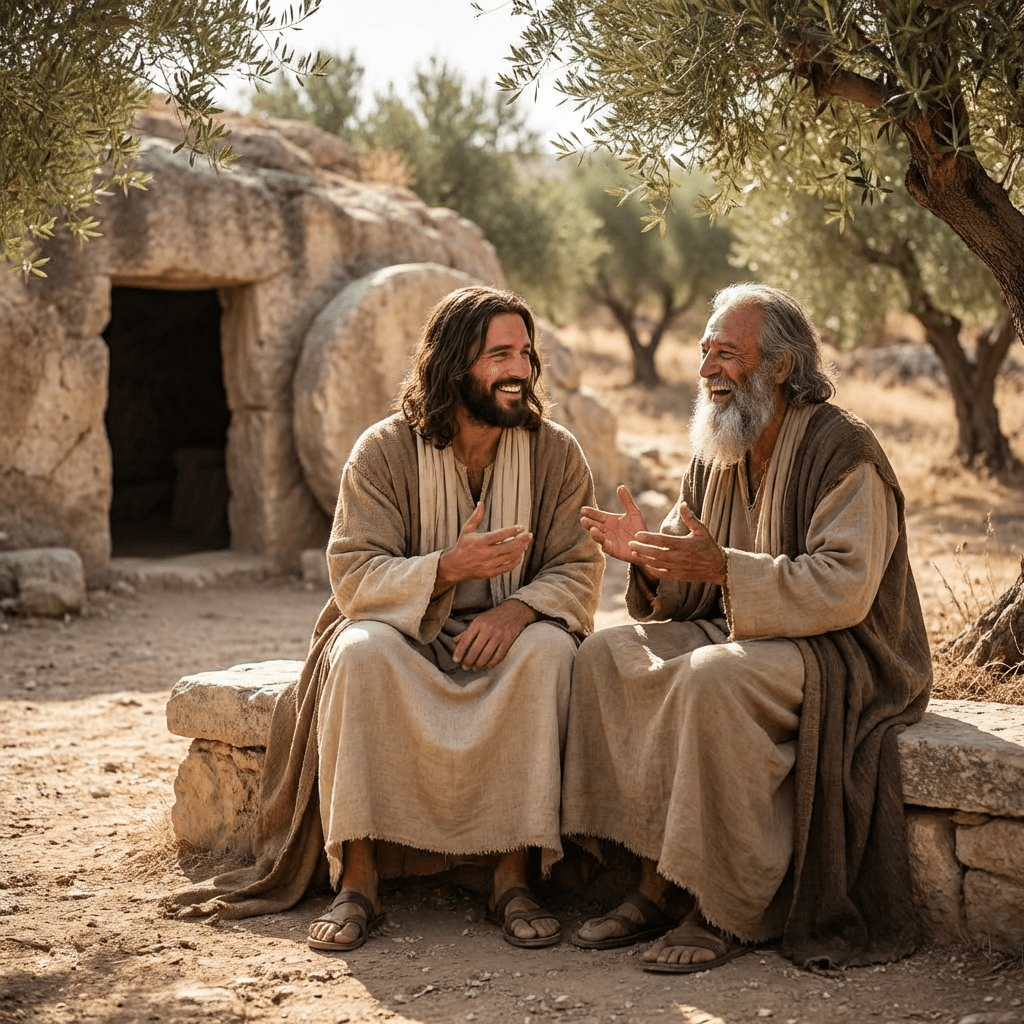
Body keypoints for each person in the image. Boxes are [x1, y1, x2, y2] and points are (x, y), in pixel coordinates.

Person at [165, 286, 603, 951]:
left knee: (548, 654)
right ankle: (359, 881)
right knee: (360, 651)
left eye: (526, 352)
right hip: (407, 631)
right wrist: (448, 570)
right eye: (501, 355)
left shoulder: (555, 453)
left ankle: (511, 878)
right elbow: (354, 573)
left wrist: (517, 611)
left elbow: (579, 565)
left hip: (510, 639)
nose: (521, 368)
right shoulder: (383, 451)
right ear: (456, 366)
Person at [562, 283, 931, 972]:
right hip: (745, 630)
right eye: (705, 352)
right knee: (607, 655)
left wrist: (726, 569)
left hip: (838, 651)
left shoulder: (843, 448)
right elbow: (689, 565)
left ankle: (720, 908)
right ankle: (650, 881)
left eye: (727, 354)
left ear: (782, 366)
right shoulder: (720, 442)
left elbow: (844, 589)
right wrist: (647, 559)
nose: (708, 370)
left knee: (712, 679)